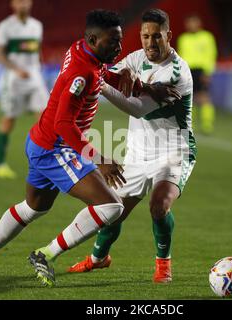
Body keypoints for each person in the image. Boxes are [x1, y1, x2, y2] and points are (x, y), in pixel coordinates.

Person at [0, 10, 129, 288]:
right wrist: (98, 159)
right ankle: (45, 254)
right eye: (113, 42)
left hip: (40, 141)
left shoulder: (82, 49)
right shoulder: (82, 72)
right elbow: (64, 123)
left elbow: (98, 71)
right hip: (56, 147)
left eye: (119, 41)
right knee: (111, 206)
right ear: (93, 39)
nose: (119, 48)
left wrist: (116, 78)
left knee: (33, 208)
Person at [68, 9, 196, 283]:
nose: (150, 43)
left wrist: (99, 81)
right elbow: (110, 71)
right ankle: (98, 259)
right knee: (112, 210)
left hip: (173, 151)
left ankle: (163, 264)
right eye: (145, 36)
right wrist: (115, 72)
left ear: (169, 36)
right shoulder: (136, 58)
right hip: (138, 152)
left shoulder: (176, 72)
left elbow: (136, 108)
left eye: (157, 37)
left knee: (159, 205)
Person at [0, 0, 50, 179]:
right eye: (19, 1)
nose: (23, 4)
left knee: (45, 121)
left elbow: (36, 51)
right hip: (14, 79)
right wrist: (15, 69)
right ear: (12, 4)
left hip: (34, 77)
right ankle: (0, 164)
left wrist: (39, 68)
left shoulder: (37, 26)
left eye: (25, 1)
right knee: (9, 119)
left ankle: (45, 165)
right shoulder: (5, 26)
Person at [177, 14, 217, 135]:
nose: (191, 25)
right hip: (187, 70)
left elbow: (211, 55)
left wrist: (208, 72)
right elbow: (180, 57)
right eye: (189, 23)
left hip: (201, 70)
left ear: (199, 24)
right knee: (189, 99)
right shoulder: (183, 38)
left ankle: (207, 125)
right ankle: (190, 125)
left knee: (204, 97)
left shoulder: (207, 37)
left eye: (194, 22)